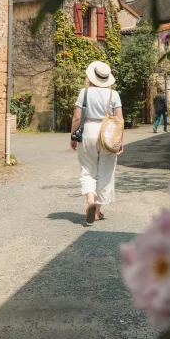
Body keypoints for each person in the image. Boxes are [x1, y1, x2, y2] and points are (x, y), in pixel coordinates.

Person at [70, 61, 123, 225]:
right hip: (109, 132)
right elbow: (119, 119)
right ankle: (97, 211)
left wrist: (73, 136)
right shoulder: (113, 95)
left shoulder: (84, 92)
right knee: (105, 172)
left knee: (87, 169)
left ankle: (90, 200)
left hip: (88, 131)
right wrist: (120, 140)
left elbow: (77, 117)